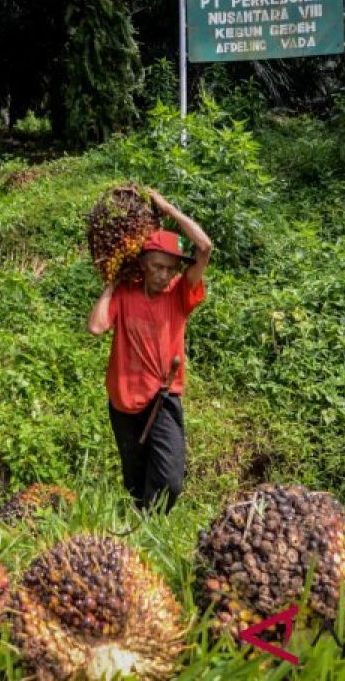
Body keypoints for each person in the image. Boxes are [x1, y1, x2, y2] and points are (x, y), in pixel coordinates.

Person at [87, 188, 212, 513]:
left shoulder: (178, 295)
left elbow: (204, 246)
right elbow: (97, 327)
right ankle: (142, 530)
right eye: (157, 266)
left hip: (162, 397)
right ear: (142, 264)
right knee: (134, 477)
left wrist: (169, 209)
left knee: (170, 480)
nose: (164, 274)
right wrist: (113, 282)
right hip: (124, 400)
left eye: (170, 268)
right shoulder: (125, 294)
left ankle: (150, 520)